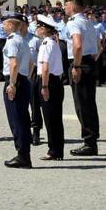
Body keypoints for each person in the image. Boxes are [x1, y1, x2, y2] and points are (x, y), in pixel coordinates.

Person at [64, 0, 101, 157]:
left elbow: (77, 45)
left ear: (73, 7)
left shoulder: (74, 22)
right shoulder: (87, 21)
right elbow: (99, 45)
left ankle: (89, 143)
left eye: (66, 5)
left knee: (82, 104)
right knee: (89, 104)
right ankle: (91, 140)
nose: (64, 8)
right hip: (89, 62)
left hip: (80, 63)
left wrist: (77, 66)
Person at [2, 14, 33, 169]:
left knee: (16, 119)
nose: (2, 26)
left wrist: (12, 84)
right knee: (23, 118)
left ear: (10, 25)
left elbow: (14, 64)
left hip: (15, 80)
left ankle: (22, 155)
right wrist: (24, 76)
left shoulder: (13, 40)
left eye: (4, 24)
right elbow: (31, 63)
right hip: (23, 80)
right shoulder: (23, 40)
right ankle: (24, 153)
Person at [34, 16, 66, 161]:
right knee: (55, 118)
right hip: (55, 82)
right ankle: (57, 149)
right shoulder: (53, 43)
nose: (37, 29)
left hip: (49, 82)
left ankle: (54, 150)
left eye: (39, 26)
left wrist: (44, 86)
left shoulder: (46, 44)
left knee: (50, 118)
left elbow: (45, 68)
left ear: (45, 29)